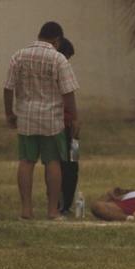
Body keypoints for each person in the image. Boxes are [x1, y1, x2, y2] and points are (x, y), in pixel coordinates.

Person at [4, 21, 80, 220]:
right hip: (52, 120)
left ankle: (26, 210)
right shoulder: (59, 59)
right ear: (58, 40)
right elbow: (68, 92)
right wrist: (75, 118)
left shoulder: (18, 56)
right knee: (52, 162)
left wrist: (9, 113)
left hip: (26, 117)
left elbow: (8, 87)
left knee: (26, 162)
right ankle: (52, 211)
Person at [56, 37, 80, 216]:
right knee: (67, 166)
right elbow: (69, 96)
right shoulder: (57, 71)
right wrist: (74, 120)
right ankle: (61, 205)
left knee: (72, 164)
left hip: (68, 125)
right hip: (62, 125)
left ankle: (64, 205)